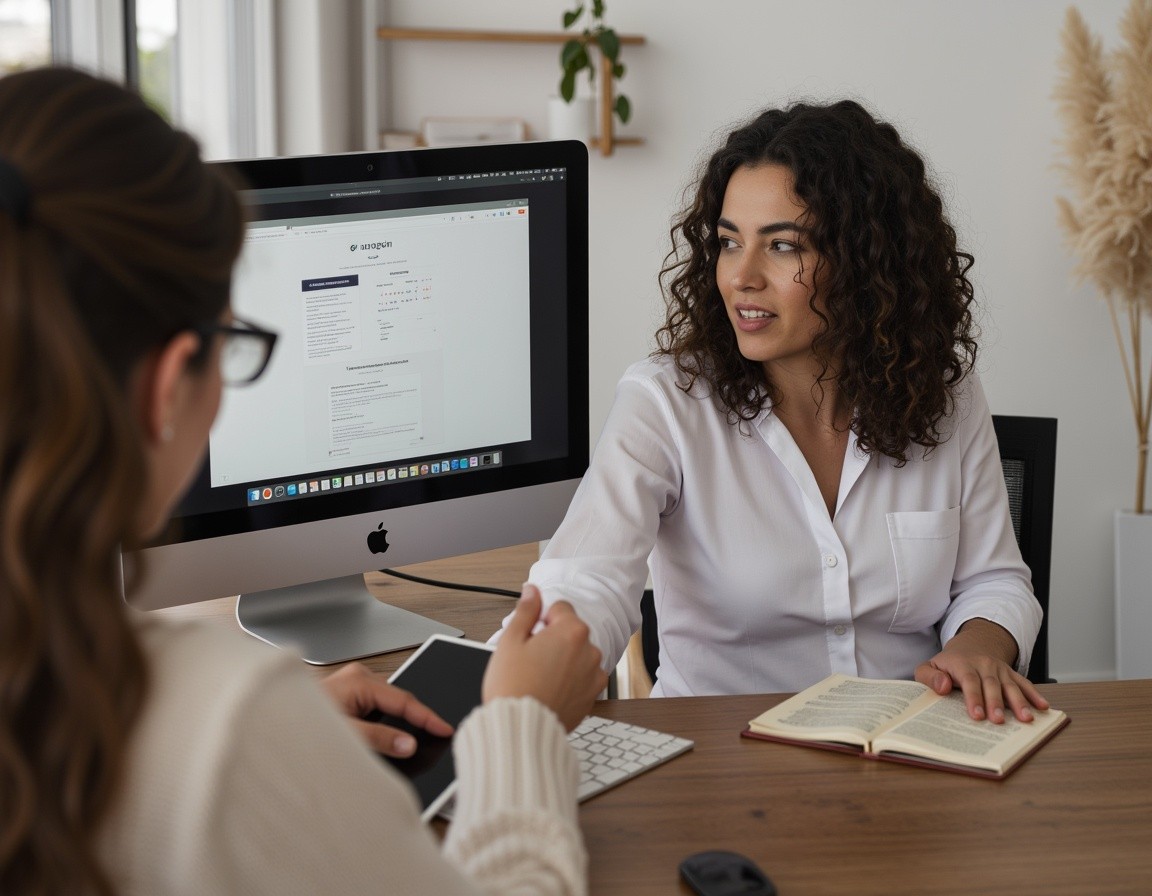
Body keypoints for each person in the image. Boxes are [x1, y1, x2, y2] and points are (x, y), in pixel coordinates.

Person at [0, 66, 607, 896]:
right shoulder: (219, 721)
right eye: (234, 347)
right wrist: (521, 726)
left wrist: (283, 742)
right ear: (168, 385)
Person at [499, 99, 1048, 724]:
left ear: (869, 261)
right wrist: (519, 680)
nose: (741, 276)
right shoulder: (666, 403)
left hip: (906, 746)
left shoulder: (946, 397)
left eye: (783, 246)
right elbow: (584, 580)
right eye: (729, 243)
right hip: (722, 756)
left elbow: (994, 580)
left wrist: (978, 649)